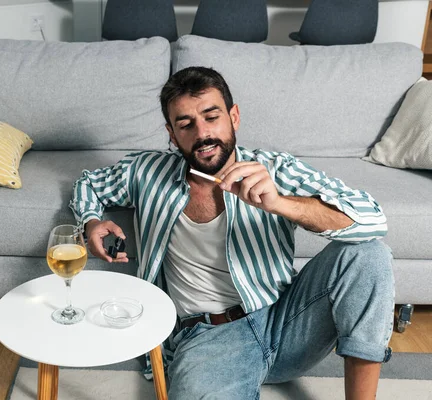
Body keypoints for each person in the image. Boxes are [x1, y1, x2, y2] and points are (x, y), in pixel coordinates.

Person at [70, 66, 394, 399]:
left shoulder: (274, 169)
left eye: (212, 117)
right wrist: (92, 221)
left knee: (368, 254)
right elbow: (88, 184)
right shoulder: (145, 172)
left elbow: (371, 219)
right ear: (171, 133)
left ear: (234, 116)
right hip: (208, 338)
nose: (202, 134)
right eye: (186, 124)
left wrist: (280, 203)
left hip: (285, 319)